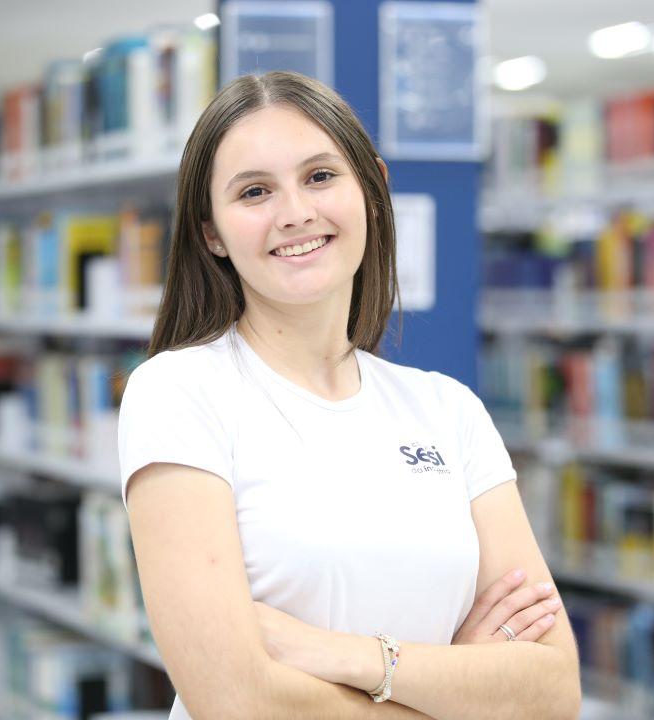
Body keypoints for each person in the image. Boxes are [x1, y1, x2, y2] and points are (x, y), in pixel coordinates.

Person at [117, 70, 581, 719]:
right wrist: (454, 690)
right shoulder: (179, 393)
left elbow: (553, 692)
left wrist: (349, 656)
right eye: (254, 191)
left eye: (319, 176)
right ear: (211, 233)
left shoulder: (448, 412)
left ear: (372, 190)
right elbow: (234, 700)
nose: (294, 213)